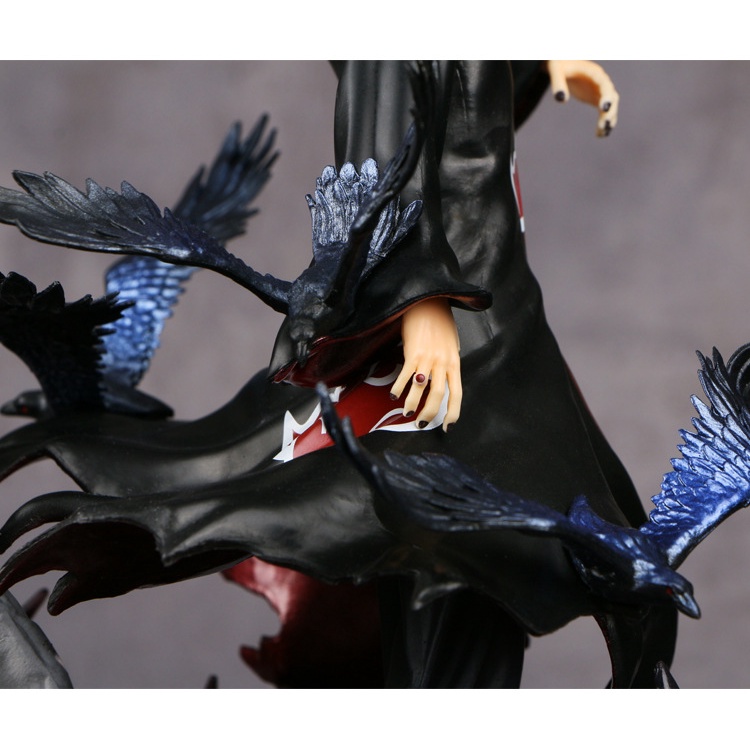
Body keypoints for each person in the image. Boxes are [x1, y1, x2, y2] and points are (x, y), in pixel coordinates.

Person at [0, 61, 674, 687]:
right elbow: (379, 151)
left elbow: (464, 124)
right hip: (447, 333)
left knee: (516, 559)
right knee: (462, 553)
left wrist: (537, 60)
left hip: (501, 318)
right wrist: (419, 299)